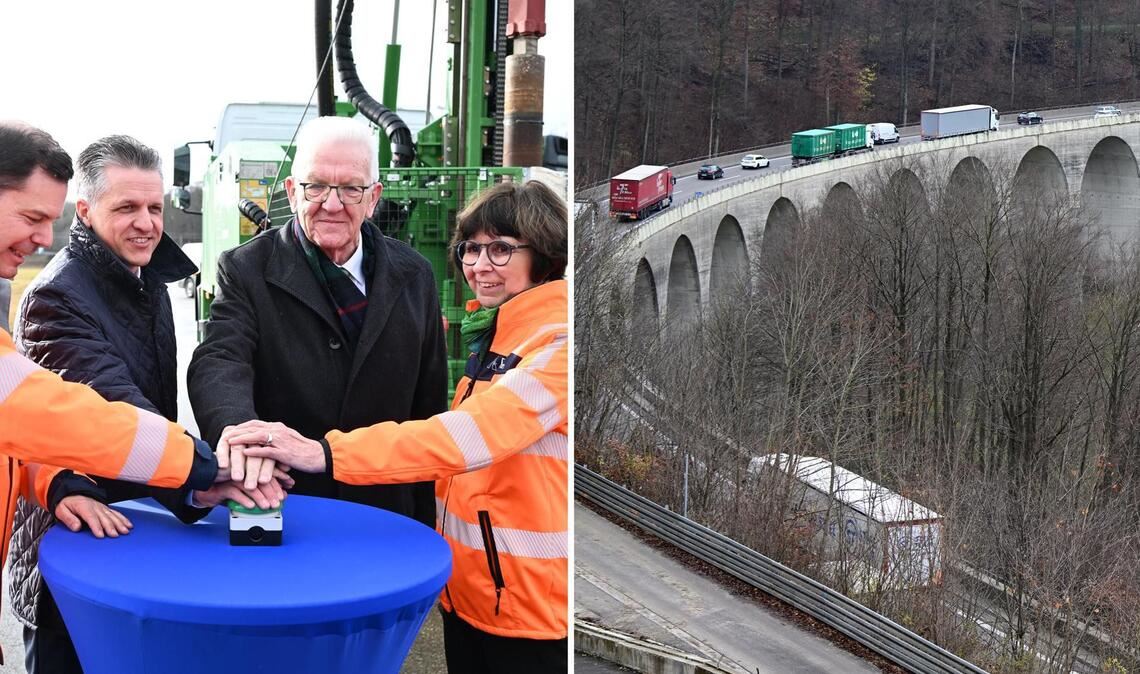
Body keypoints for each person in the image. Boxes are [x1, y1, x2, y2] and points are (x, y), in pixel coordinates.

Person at [223, 180, 569, 673]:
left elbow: (459, 437)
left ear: (546, 256)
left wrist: (324, 453)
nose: (479, 265)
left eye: (501, 250)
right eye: (471, 248)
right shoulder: (498, 336)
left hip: (528, 611)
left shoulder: (555, 347)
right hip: (475, 597)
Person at [10, 135, 287, 674]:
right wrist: (207, 471)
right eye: (127, 208)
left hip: (132, 529)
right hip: (73, 544)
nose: (146, 223)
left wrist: (194, 487)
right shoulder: (57, 297)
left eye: (155, 208)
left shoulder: (147, 282)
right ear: (86, 213)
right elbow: (122, 412)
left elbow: (156, 414)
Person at [187, 116, 447, 527]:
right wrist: (243, 436)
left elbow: (428, 406)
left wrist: (425, 520)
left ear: (373, 197)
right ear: (292, 192)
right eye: (317, 186)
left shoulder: (414, 276)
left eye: (350, 188)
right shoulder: (247, 269)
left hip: (385, 512)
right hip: (282, 503)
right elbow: (219, 360)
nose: (331, 203)